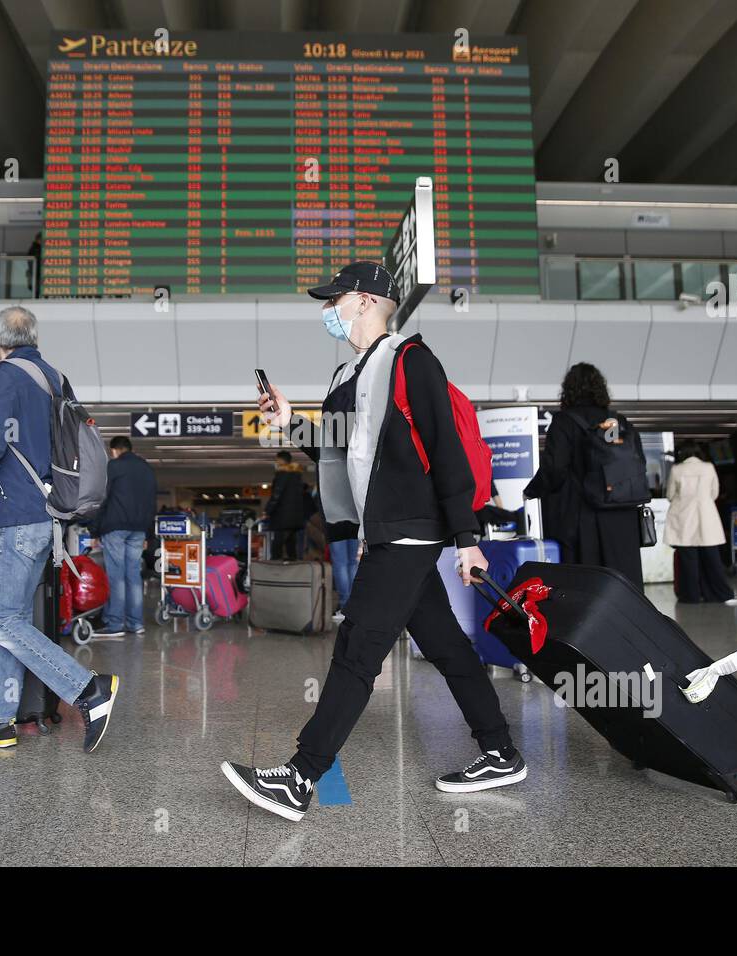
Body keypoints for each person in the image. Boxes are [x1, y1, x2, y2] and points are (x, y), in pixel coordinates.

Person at [221, 261, 524, 822]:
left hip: (412, 530)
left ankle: (300, 776)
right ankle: (502, 751)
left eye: (333, 299)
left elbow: (448, 455)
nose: (326, 310)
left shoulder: (411, 361)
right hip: (383, 533)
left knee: (358, 649)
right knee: (446, 647)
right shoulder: (349, 375)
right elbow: (337, 453)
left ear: (364, 301)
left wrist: (467, 538)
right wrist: (290, 420)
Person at [0, 306, 119, 753]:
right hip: (46, 517)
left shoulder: (2, 376)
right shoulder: (55, 379)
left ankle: (87, 690)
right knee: (13, 624)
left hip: (12, 517)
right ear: (35, 339)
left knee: (1, 621)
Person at [523, 362, 645, 589]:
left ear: (568, 390)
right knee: (625, 581)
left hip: (583, 518)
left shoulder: (565, 422)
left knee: (586, 582)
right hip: (622, 516)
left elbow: (555, 468)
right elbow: (640, 463)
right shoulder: (619, 421)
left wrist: (532, 491)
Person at [91, 435, 157, 637]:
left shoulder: (114, 467)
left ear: (115, 450)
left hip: (116, 528)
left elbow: (102, 498)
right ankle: (136, 623)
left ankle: (115, 624)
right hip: (138, 529)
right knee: (133, 575)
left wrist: (94, 530)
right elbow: (151, 502)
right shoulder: (146, 469)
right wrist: (148, 533)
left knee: (116, 576)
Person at [666, 444, 737, 605]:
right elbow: (714, 493)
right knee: (712, 559)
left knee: (688, 560)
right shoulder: (708, 468)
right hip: (706, 517)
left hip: (683, 518)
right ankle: (720, 594)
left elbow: (670, 495)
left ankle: (690, 596)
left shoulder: (676, 469)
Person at [265, 450, 305, 559]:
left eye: (277, 460)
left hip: (283, 517)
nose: (276, 462)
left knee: (277, 545)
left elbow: (276, 495)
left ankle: (274, 571)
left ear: (280, 460)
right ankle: (292, 570)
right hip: (295, 517)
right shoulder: (297, 476)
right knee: (291, 545)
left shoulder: (282, 475)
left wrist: (267, 511)